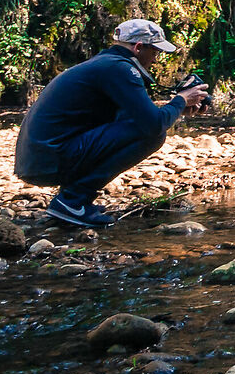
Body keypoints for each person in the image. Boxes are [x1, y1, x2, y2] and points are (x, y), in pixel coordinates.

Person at [14, 19, 210, 227]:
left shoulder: (106, 64)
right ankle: (73, 200)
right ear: (138, 47)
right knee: (152, 134)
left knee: (140, 125)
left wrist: (179, 107)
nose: (156, 59)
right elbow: (152, 124)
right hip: (48, 159)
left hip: (40, 158)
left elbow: (138, 114)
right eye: (155, 52)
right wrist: (181, 100)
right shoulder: (120, 69)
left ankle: (72, 201)